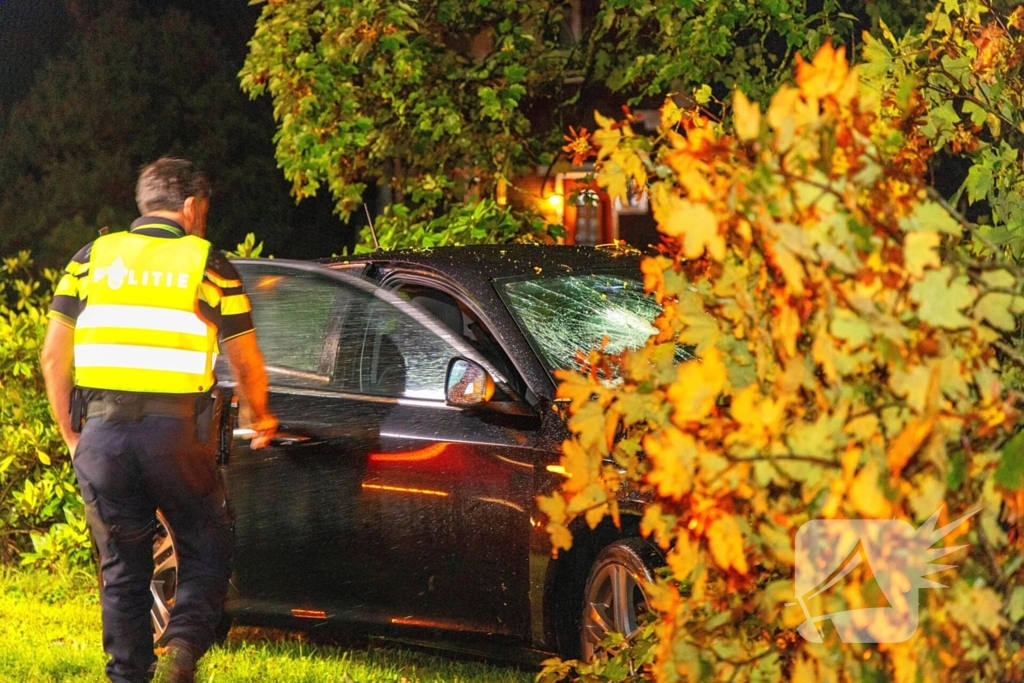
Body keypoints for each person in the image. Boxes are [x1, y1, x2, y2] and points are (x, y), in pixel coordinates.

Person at [40, 157, 278, 683]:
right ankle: (184, 647)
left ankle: (128, 676)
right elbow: (246, 360)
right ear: (191, 208)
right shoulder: (208, 263)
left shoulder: (90, 259)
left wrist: (71, 434)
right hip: (176, 438)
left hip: (103, 435)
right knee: (207, 543)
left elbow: (55, 357)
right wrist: (262, 417)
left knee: (122, 569)